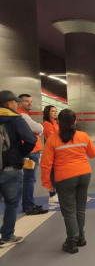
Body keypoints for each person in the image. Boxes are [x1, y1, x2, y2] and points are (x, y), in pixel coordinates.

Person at [40, 109, 95, 254]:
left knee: (69, 211)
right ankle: (81, 237)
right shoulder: (83, 136)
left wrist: (47, 182)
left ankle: (71, 241)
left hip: (65, 177)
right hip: (84, 174)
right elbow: (93, 153)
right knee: (80, 208)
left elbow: (46, 163)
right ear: (75, 121)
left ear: (58, 122)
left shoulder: (53, 139)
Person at [0, 90, 37, 248]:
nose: (17, 104)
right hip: (11, 167)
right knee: (12, 202)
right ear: (9, 104)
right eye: (15, 102)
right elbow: (31, 140)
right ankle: (7, 236)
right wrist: (18, 154)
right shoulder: (15, 119)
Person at [17, 94, 49, 215]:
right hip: (31, 152)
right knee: (29, 179)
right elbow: (38, 128)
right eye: (26, 101)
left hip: (29, 151)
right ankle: (29, 206)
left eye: (31, 101)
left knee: (28, 179)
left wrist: (38, 129)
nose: (30, 103)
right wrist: (39, 128)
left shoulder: (22, 115)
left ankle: (28, 204)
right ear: (19, 103)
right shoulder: (23, 116)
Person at [42, 105, 60, 203]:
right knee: (52, 173)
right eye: (53, 111)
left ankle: (55, 193)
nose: (55, 113)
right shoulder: (47, 124)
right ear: (47, 113)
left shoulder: (56, 123)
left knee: (55, 172)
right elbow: (52, 137)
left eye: (56, 111)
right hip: (51, 152)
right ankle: (52, 195)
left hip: (57, 151)